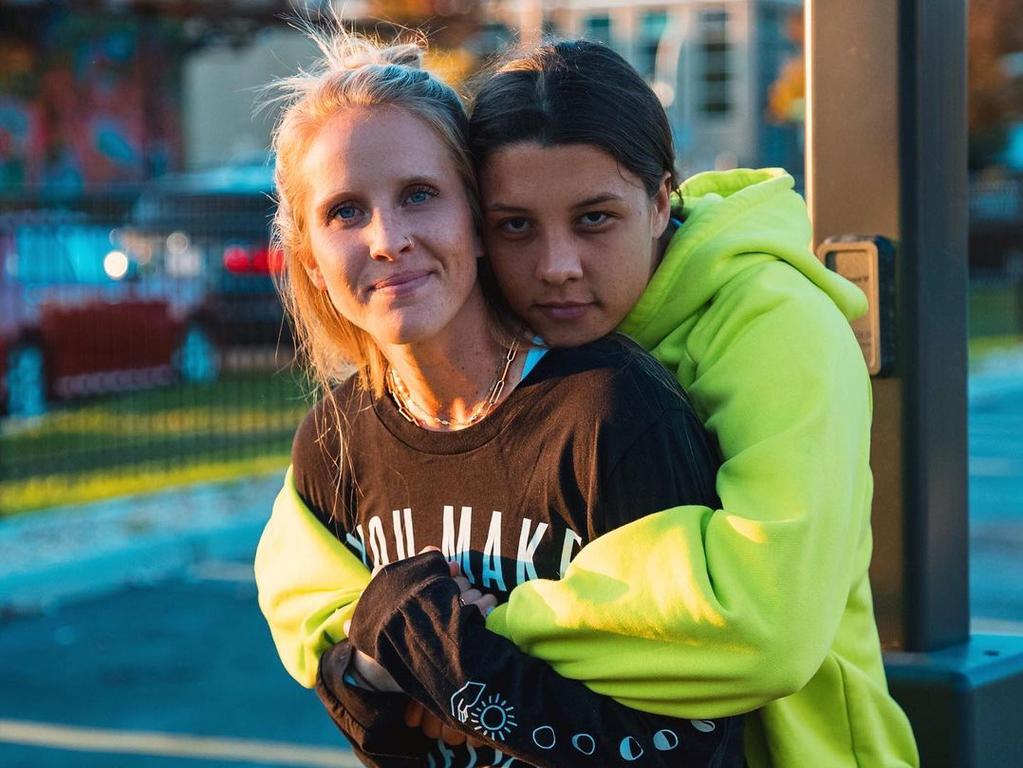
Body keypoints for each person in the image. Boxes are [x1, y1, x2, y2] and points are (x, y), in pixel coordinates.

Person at [256, 37, 921, 768]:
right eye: (517, 225)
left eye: (594, 219)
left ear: (662, 200)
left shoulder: (774, 329)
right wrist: (408, 659)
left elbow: (766, 623)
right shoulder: (382, 414)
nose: (557, 267)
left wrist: (463, 648)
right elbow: (298, 585)